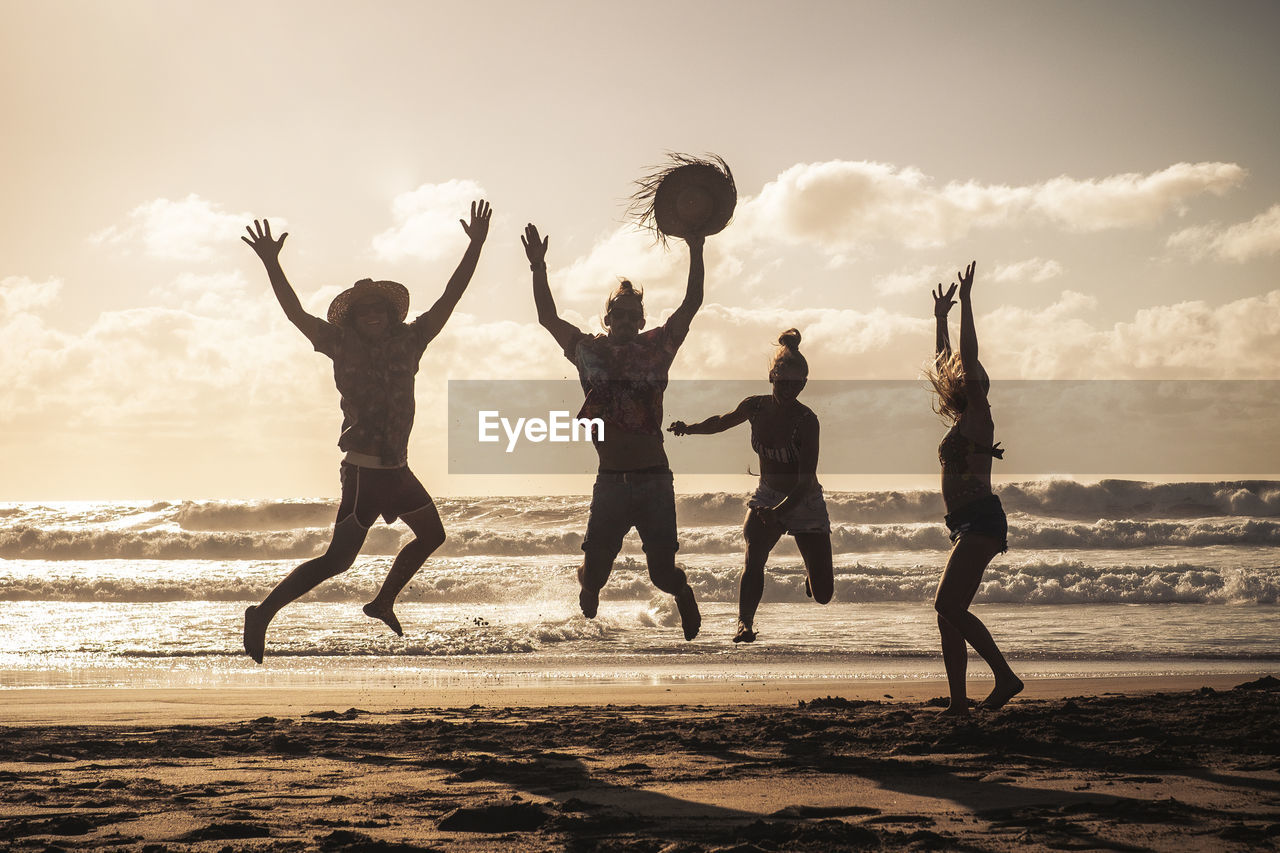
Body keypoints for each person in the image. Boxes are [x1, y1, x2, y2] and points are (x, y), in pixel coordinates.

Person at [239, 201, 491, 663]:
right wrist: (272, 264)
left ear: (391, 315)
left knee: (433, 535)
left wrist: (474, 245)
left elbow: (451, 297)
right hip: (363, 473)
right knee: (338, 560)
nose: (373, 314)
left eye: (379, 308)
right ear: (352, 319)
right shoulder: (338, 344)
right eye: (364, 310)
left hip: (397, 468)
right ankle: (263, 613)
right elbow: (295, 313)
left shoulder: (413, 339)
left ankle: (382, 601)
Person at [522, 222, 703, 640]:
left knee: (661, 575)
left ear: (641, 321)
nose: (623, 319)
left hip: (654, 479)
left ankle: (683, 591)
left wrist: (696, 246)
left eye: (631, 314)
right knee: (596, 576)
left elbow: (692, 302)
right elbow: (547, 317)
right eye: (616, 313)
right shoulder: (589, 350)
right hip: (610, 482)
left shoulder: (658, 348)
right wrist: (538, 267)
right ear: (607, 318)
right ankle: (587, 581)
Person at [668, 329, 833, 643]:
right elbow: (721, 421)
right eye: (783, 382)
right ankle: (744, 623)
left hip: (804, 499)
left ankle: (812, 575)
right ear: (772, 376)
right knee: (754, 555)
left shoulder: (807, 421)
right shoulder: (755, 407)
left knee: (824, 594)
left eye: (796, 384)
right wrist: (689, 429)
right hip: (768, 494)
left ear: (804, 384)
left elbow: (804, 481)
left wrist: (780, 513)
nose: (788, 389)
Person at [927, 261, 1023, 714]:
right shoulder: (961, 417)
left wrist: (966, 304)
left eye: (974, 375)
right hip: (965, 523)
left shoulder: (980, 415)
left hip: (982, 520)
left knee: (947, 604)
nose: (967, 375)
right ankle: (959, 702)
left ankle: (1004, 678)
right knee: (948, 614)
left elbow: (964, 357)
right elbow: (949, 364)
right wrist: (940, 320)